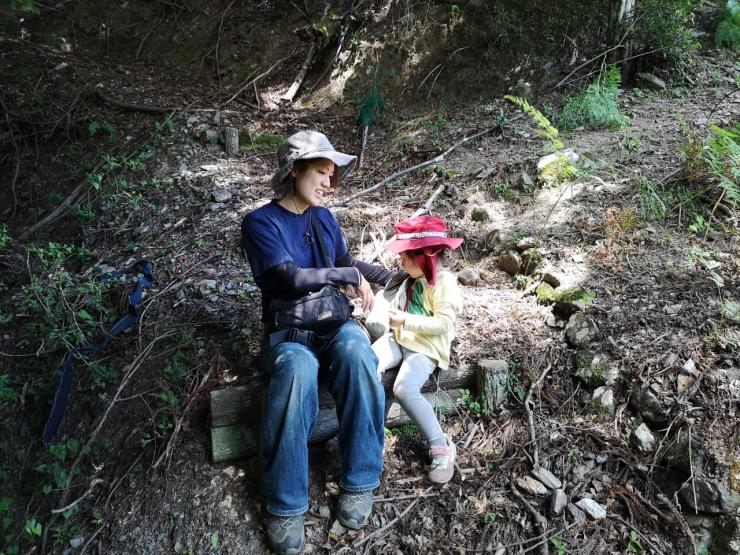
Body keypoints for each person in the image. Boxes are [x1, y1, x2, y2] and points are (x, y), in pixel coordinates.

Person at [241, 130, 394, 555]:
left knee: (359, 354)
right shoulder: (260, 223)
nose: (330, 183)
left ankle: (361, 480)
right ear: (294, 171)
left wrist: (383, 274)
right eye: (322, 173)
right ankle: (285, 505)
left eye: (332, 175)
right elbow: (288, 278)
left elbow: (344, 263)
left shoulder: (325, 218)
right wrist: (345, 277)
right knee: (296, 370)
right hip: (288, 335)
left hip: (334, 325)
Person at [372, 215, 463, 484]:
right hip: (400, 338)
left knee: (404, 388)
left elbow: (444, 325)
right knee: (366, 363)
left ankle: (441, 445)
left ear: (424, 256)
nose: (401, 262)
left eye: (405, 257)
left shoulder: (444, 283)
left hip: (424, 348)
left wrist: (406, 320)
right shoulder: (412, 278)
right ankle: (364, 432)